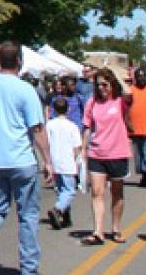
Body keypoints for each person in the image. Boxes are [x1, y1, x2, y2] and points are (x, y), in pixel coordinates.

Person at [0, 41, 54, 275]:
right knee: (27, 215)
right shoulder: (25, 89)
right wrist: (48, 160)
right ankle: (29, 267)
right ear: (19, 62)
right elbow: (37, 128)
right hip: (20, 159)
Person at [82, 67, 132, 247]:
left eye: (105, 84)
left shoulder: (119, 102)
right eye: (98, 85)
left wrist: (115, 74)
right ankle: (98, 231)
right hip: (97, 153)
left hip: (117, 153)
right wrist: (82, 149)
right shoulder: (92, 103)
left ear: (112, 85)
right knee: (97, 192)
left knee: (117, 193)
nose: (101, 88)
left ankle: (116, 228)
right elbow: (87, 126)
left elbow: (129, 93)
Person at [45, 95, 82, 230]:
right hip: (67, 162)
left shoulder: (49, 125)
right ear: (68, 110)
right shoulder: (72, 126)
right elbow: (77, 147)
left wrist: (47, 161)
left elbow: (46, 143)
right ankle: (58, 209)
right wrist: (77, 160)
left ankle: (66, 217)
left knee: (61, 191)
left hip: (55, 161)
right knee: (69, 191)